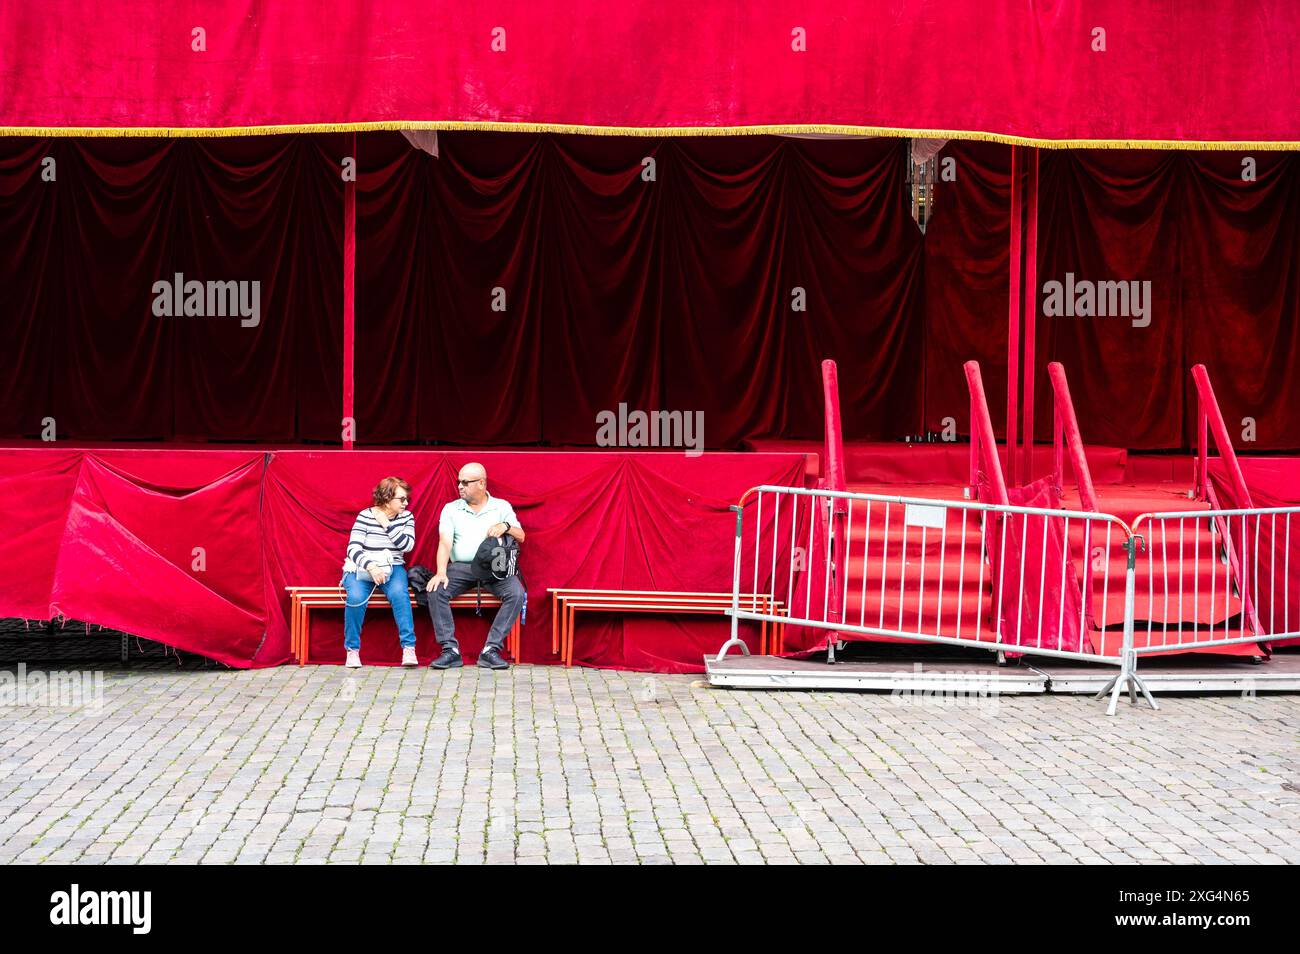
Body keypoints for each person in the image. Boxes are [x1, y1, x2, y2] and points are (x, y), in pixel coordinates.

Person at [427, 462, 525, 670]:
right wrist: (441, 572)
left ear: (481, 483)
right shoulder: (451, 509)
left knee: (516, 593)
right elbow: (445, 542)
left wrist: (505, 526)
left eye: (465, 482)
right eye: (458, 482)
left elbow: (521, 535)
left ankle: (490, 649)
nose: (460, 486)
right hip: (462, 567)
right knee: (436, 589)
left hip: (494, 568)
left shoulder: (501, 506)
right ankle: (450, 650)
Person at [342, 477, 417, 668]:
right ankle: (352, 650)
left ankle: (409, 648)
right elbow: (353, 548)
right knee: (356, 597)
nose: (406, 503)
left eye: (406, 499)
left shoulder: (407, 517)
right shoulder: (365, 516)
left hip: (393, 567)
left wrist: (388, 525)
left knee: (400, 595)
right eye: (401, 499)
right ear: (386, 498)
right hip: (362, 567)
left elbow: (407, 545)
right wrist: (371, 566)